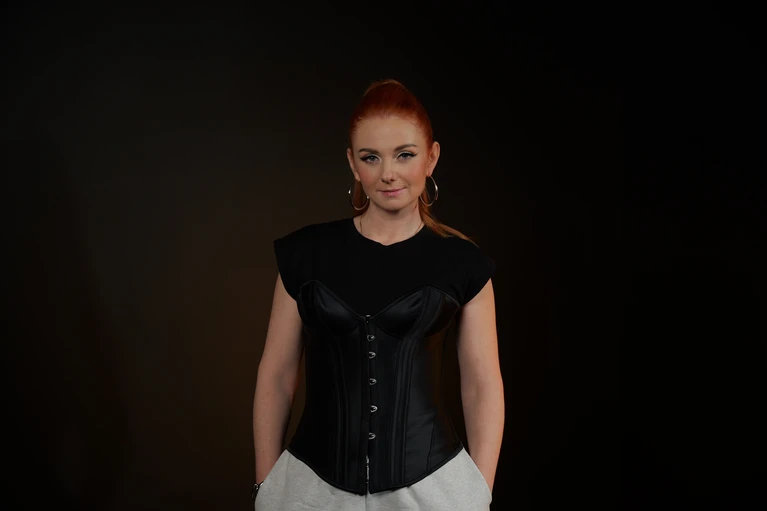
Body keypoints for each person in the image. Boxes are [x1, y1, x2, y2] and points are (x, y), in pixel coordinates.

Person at [252, 79, 504, 510]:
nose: (388, 173)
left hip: (434, 489)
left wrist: (478, 493)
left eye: (405, 154)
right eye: (371, 157)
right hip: (309, 489)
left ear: (431, 157)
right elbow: (276, 376)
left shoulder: (463, 263)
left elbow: (482, 385)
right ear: (353, 164)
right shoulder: (304, 254)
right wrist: (266, 486)